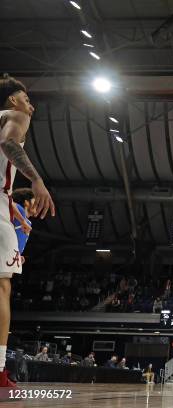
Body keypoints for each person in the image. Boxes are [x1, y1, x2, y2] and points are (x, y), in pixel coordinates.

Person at [0, 74, 55, 392]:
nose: (30, 105)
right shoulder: (15, 116)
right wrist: (36, 179)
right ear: (12, 100)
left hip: (6, 205)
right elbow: (8, 144)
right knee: (2, 289)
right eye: (26, 98)